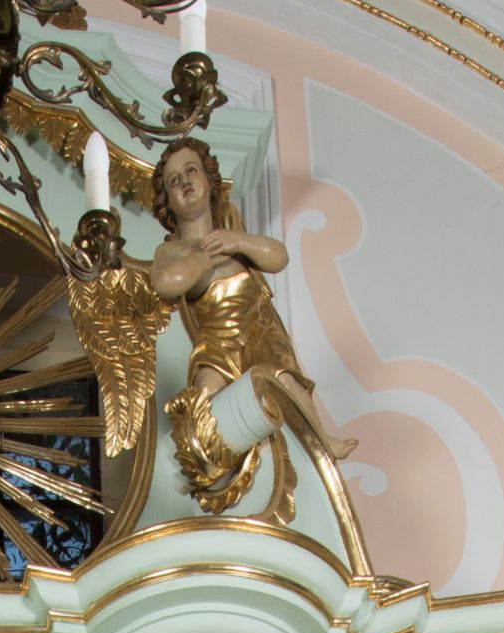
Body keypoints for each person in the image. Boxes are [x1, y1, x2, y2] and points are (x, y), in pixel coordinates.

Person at [146, 136, 356, 514]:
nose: (185, 182)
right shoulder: (174, 250)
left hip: (257, 324)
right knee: (205, 399)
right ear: (168, 201)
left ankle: (323, 441)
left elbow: (278, 256)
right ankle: (203, 472)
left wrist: (236, 242)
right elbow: (167, 282)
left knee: (287, 380)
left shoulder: (232, 230)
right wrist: (206, 256)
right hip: (217, 336)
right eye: (174, 181)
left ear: (209, 180)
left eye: (191, 172)